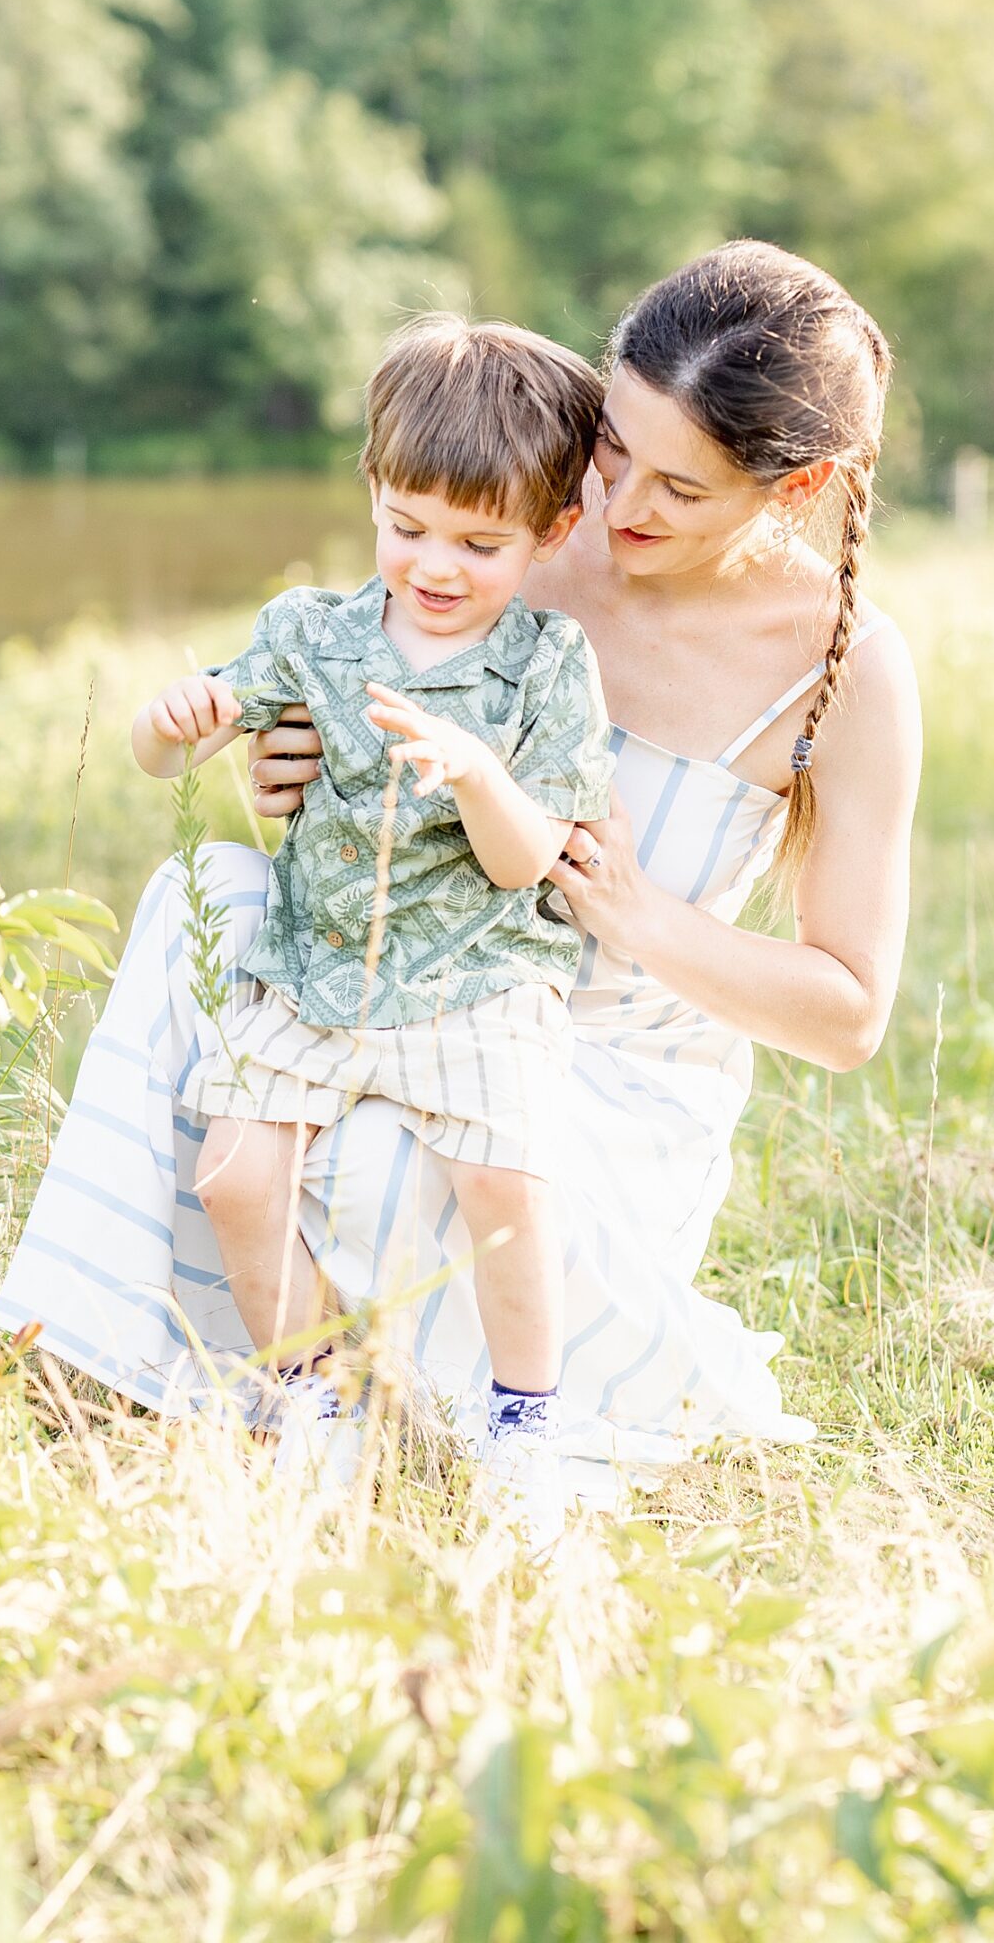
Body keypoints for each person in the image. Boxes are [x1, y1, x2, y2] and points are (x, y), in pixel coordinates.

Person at [0, 241, 921, 1506]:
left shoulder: (846, 674)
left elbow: (851, 1013)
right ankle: (160, 1366)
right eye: (612, 452)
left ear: (799, 485)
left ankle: (434, 1413)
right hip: (410, 969)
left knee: (380, 1146)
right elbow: (360, 678)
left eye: (680, 490)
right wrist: (292, 767)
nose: (621, 506)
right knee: (203, 904)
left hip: (601, 1072)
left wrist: (639, 915)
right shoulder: (521, 527)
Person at [129, 314, 611, 1539]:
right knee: (235, 1176)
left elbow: (521, 867)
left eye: (478, 541)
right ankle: (318, 1393)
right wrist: (175, 716)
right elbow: (179, 737)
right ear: (374, 496)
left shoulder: (547, 667)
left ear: (553, 533)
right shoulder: (316, 634)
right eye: (407, 527)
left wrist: (475, 772)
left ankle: (524, 1417)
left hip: (475, 968)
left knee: (504, 1172)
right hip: (320, 964)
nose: (436, 566)